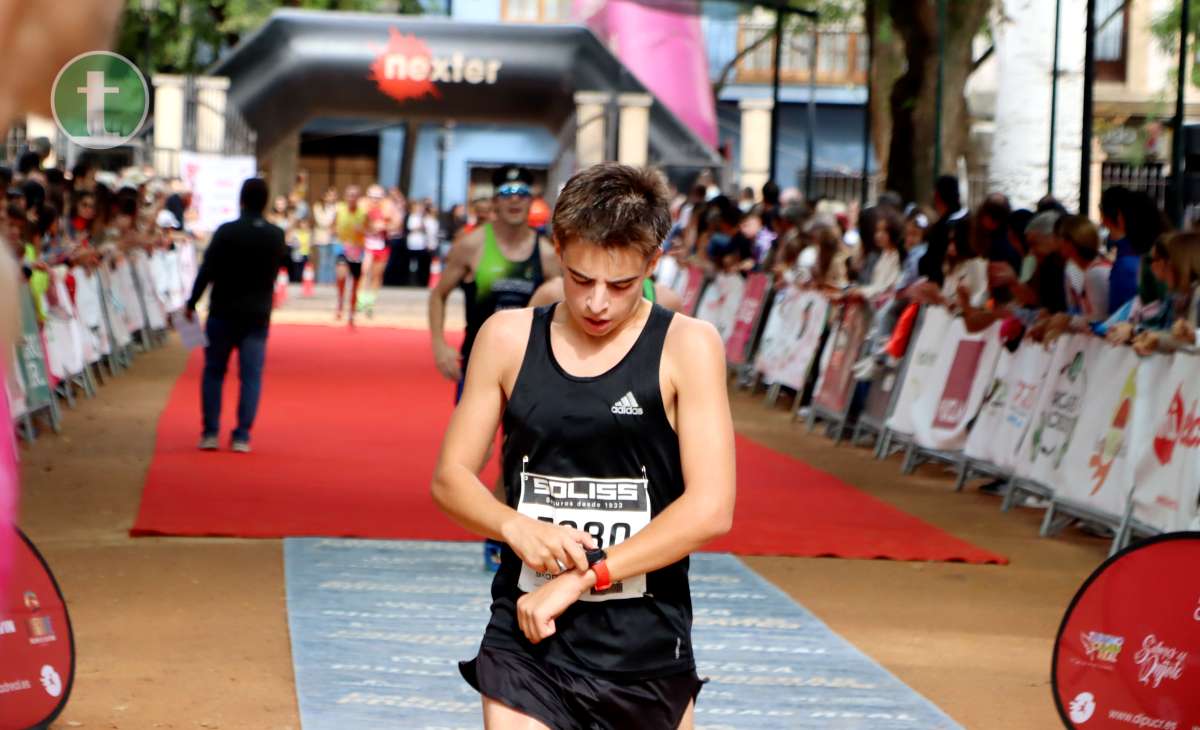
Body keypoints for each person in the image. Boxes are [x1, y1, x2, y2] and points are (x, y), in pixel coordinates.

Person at [432, 162, 735, 730]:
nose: (597, 302)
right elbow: (449, 478)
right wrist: (515, 527)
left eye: (620, 285)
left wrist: (585, 576)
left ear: (652, 262)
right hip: (527, 633)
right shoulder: (506, 337)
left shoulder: (688, 346)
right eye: (579, 279)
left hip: (644, 641)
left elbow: (711, 508)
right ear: (559, 250)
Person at [429, 165, 560, 570]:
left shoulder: (548, 254)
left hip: (530, 369)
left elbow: (561, 307)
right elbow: (439, 295)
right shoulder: (471, 246)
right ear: (495, 200)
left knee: (516, 453)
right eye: (508, 191)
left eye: (524, 191)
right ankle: (489, 521)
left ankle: (499, 537)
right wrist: (439, 345)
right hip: (480, 366)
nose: (516, 199)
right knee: (475, 453)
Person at [185, 178, 289, 453]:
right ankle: (242, 435)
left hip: (222, 311)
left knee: (214, 372)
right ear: (266, 202)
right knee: (251, 376)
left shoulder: (226, 232)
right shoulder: (276, 235)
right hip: (257, 315)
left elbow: (207, 269)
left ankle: (210, 432)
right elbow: (282, 265)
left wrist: (192, 302)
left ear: (240, 200)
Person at [334, 185, 368, 325]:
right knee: (341, 275)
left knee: (355, 282)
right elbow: (332, 225)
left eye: (355, 195)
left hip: (357, 250)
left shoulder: (363, 213)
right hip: (342, 247)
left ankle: (352, 312)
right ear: (345, 197)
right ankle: (340, 303)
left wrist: (363, 231)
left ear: (358, 198)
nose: (352, 198)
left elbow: (370, 230)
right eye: (349, 195)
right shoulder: (339, 210)